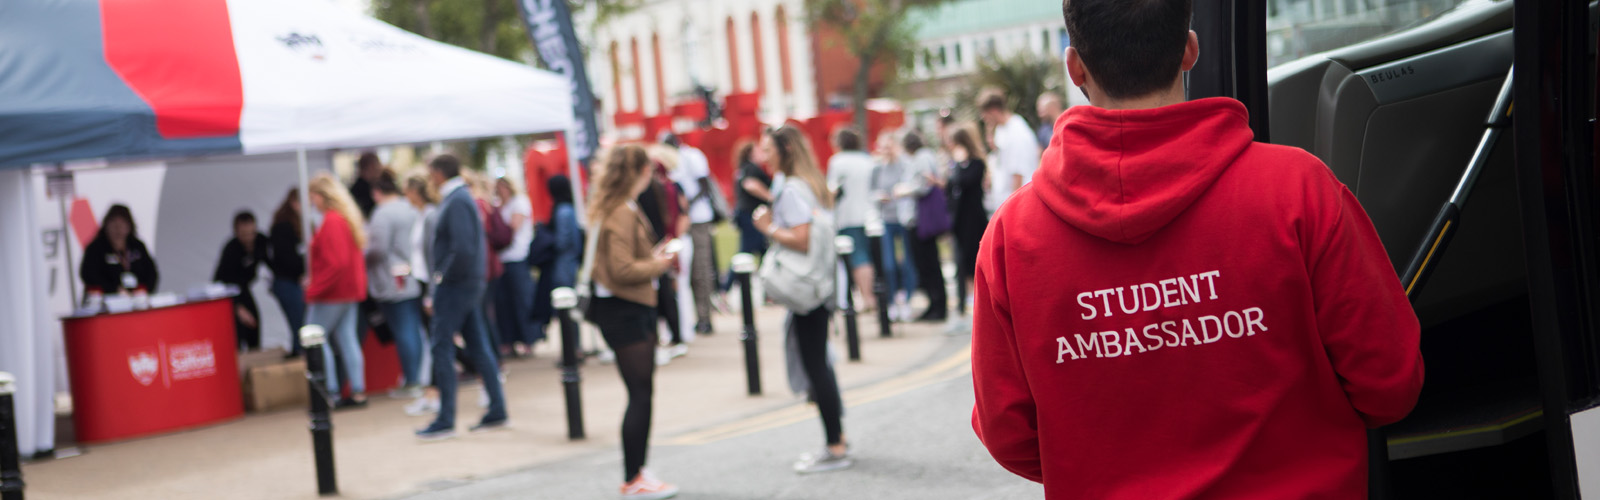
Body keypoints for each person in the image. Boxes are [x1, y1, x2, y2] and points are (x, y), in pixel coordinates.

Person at [969, 1, 1426, 498]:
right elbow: (1390, 383)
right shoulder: (1299, 191)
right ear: (1190, 51)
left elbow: (1009, 434)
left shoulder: (1012, 238)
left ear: (1075, 67)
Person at [752, 125, 851, 474]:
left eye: (768, 149)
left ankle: (835, 444)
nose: (764, 156)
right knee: (819, 361)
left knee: (815, 364)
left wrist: (766, 227)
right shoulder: (809, 184)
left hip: (809, 289)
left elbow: (802, 239)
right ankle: (838, 436)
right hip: (821, 285)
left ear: (786, 150)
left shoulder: (792, 189)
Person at [588, 145, 680, 498]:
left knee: (640, 393)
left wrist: (654, 257)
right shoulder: (621, 211)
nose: (653, 175)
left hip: (622, 307)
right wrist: (661, 263)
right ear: (639, 171)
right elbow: (622, 270)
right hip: (625, 309)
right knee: (641, 394)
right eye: (649, 169)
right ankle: (634, 479)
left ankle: (637, 473)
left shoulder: (613, 206)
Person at [416, 155, 510, 440]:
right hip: (465, 283)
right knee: (478, 345)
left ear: (438, 172)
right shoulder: (460, 197)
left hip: (458, 285)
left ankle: (446, 419)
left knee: (442, 346)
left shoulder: (457, 199)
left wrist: (441, 277)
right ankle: (497, 409)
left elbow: (464, 248)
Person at [305, 174, 370, 409]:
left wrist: (314, 289)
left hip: (332, 293)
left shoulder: (331, 221)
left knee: (316, 339)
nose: (311, 201)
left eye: (313, 196)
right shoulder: (345, 218)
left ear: (322, 196)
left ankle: (328, 392)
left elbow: (336, 263)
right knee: (346, 338)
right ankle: (357, 390)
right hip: (348, 291)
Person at [366, 171, 426, 398]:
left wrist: (362, 256)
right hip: (411, 274)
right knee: (412, 328)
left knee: (404, 330)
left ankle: (412, 380)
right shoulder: (409, 208)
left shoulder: (382, 214)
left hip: (391, 279)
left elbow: (378, 249)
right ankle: (415, 378)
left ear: (377, 192)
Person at [663, 133, 718, 335]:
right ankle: (693, 318)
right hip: (683, 221)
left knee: (701, 270)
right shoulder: (672, 161)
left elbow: (704, 185)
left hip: (699, 219)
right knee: (685, 272)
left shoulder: (692, 156)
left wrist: (686, 206)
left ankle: (705, 317)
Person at [643, 145, 691, 363]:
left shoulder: (657, 189)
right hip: (665, 243)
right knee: (671, 293)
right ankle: (677, 336)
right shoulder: (667, 187)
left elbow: (679, 214)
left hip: (659, 246)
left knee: (665, 294)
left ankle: (672, 337)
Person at [935, 126, 989, 320]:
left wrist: (959, 163)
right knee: (960, 262)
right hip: (958, 220)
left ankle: (976, 298)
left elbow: (965, 181)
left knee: (974, 259)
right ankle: (963, 301)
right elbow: (950, 187)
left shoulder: (976, 164)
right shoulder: (955, 165)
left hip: (974, 220)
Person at [825, 128, 879, 312]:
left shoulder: (838, 162)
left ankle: (866, 297)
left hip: (848, 215)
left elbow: (832, 189)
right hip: (869, 213)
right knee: (866, 255)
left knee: (858, 258)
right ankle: (868, 296)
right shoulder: (867, 160)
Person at [402, 175, 442, 416]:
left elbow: (432, 257)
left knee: (439, 339)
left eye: (407, 191)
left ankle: (433, 393)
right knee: (435, 339)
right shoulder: (420, 216)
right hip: (421, 281)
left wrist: (431, 293)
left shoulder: (430, 216)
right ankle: (432, 393)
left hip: (428, 284)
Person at [898, 132, 948, 322]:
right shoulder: (923, 157)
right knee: (924, 264)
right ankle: (933, 304)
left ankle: (938, 305)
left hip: (922, 220)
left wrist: (905, 190)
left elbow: (925, 184)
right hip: (917, 220)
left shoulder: (922, 157)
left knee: (929, 263)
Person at [872, 132, 917, 322]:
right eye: (884, 147)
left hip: (903, 218)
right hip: (887, 218)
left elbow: (912, 185)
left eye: (890, 146)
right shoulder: (877, 169)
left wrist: (902, 192)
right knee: (889, 263)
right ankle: (891, 302)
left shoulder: (904, 165)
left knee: (907, 261)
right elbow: (871, 192)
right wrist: (878, 197)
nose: (887, 151)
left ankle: (906, 300)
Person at [493, 177, 540, 356]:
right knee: (504, 303)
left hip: (518, 257)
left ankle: (529, 339)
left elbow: (513, 228)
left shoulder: (519, 202)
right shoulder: (499, 204)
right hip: (502, 259)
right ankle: (509, 340)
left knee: (522, 300)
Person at [530, 175, 582, 337]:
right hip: (566, 263)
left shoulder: (563, 211)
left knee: (566, 307)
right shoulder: (566, 209)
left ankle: (573, 348)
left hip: (564, 265)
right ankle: (573, 348)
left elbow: (563, 241)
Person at [978, 90, 1042, 214]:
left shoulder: (1017, 132)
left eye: (985, 114)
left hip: (1018, 207)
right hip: (1004, 204)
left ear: (994, 111)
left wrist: (1012, 212)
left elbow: (1018, 174)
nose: (984, 119)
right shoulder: (1002, 130)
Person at [213, 211, 267, 351]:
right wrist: (238, 308)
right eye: (244, 234)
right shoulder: (231, 250)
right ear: (236, 233)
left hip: (244, 288)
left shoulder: (261, 241)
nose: (249, 238)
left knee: (254, 324)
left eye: (252, 233)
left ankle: (255, 359)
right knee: (238, 329)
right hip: (227, 293)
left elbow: (274, 262)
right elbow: (223, 282)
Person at [80, 204, 159, 297]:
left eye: (122, 224)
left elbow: (152, 274)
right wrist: (114, 289)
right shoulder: (96, 248)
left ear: (129, 226)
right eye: (114, 224)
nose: (118, 229)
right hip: (105, 302)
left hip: (137, 300)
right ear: (106, 225)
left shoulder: (138, 247)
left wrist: (143, 290)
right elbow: (89, 275)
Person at [725, 142, 772, 292]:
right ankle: (725, 288)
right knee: (746, 251)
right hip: (751, 215)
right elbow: (750, 185)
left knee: (762, 250)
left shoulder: (742, 169)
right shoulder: (751, 168)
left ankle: (767, 289)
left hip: (746, 214)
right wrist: (770, 197)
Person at [268, 189, 307, 358]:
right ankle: (300, 360)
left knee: (300, 325)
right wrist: (302, 271)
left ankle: (299, 356)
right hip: (288, 282)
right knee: (300, 325)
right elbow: (285, 258)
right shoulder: (284, 226)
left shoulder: (297, 223)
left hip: (293, 281)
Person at [351, 152, 383, 219]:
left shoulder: (376, 184)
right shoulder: (358, 190)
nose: (380, 168)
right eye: (377, 165)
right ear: (369, 167)